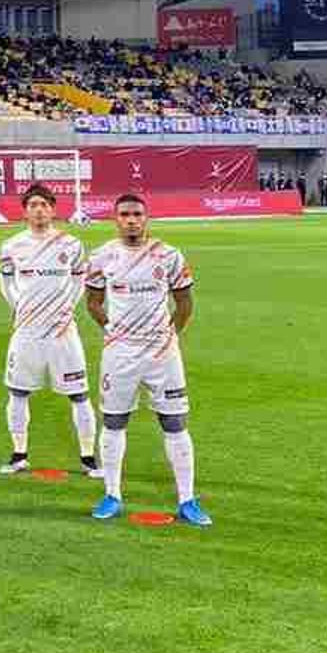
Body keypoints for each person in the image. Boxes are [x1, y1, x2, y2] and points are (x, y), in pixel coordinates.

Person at [84, 194, 209, 526]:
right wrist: (110, 329)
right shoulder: (101, 257)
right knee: (113, 422)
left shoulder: (168, 256)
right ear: (115, 219)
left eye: (137, 214)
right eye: (124, 214)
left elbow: (184, 303)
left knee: (174, 423)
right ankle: (112, 495)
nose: (131, 220)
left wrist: (171, 336)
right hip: (120, 353)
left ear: (147, 217)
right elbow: (93, 302)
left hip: (162, 354)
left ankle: (187, 500)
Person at [0, 184, 98, 478]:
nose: (39, 209)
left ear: (53, 209)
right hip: (26, 332)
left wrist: (67, 306)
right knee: (18, 392)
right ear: (25, 210)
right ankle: (19, 455)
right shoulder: (11, 246)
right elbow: (6, 284)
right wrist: (21, 308)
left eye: (44, 204)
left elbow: (80, 281)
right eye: (33, 205)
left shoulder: (71, 244)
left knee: (78, 394)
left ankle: (88, 458)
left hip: (63, 332)